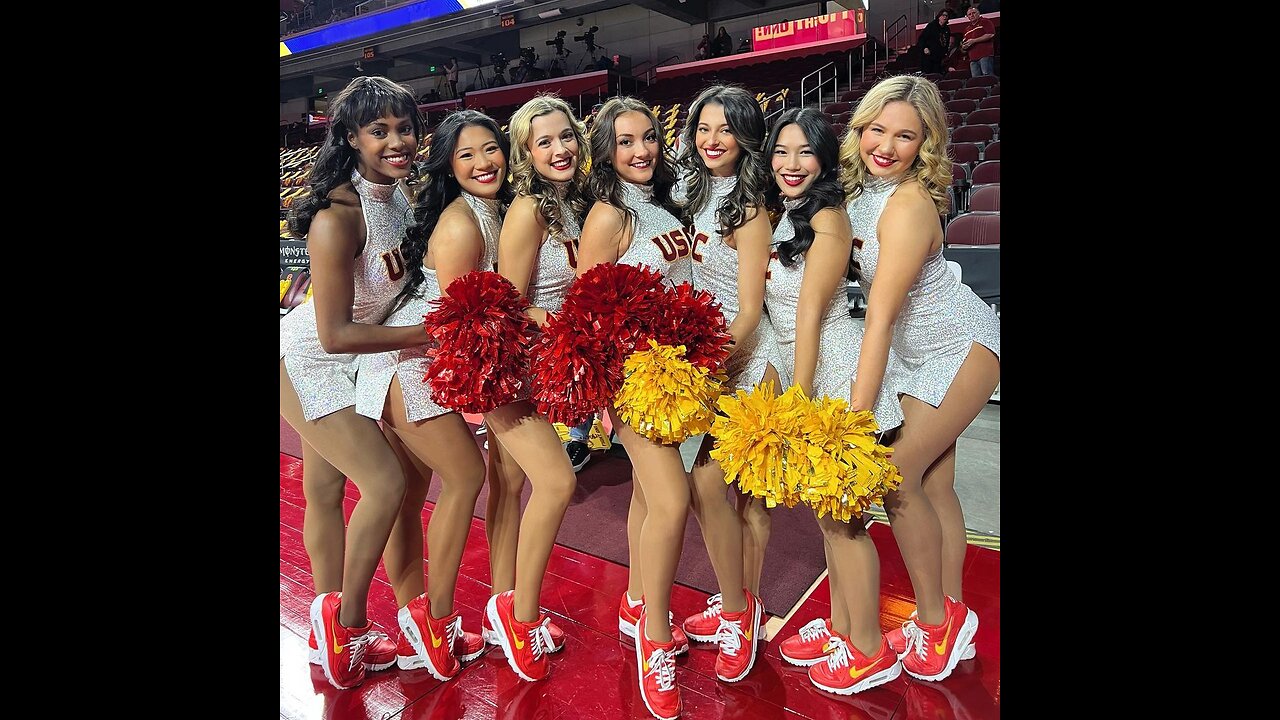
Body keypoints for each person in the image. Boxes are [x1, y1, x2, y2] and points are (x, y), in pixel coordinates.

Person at [280, 76, 444, 691]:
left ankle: (329, 630)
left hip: (348, 356)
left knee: (323, 488)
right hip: (306, 362)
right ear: (351, 138)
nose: (397, 142)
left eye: (405, 129)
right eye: (380, 131)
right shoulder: (338, 215)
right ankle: (346, 625)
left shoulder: (402, 196)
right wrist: (424, 337)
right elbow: (335, 336)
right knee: (383, 482)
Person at [839, 74, 999, 682]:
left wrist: (856, 417)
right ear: (859, 130)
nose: (886, 145)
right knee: (935, 485)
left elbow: (877, 319)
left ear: (925, 143)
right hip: (917, 351)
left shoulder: (907, 204)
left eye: (905, 136)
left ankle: (935, 621)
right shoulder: (860, 196)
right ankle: (952, 616)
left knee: (895, 475)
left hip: (959, 346)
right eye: (876, 129)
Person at [353, 109, 514, 683]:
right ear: (448, 163)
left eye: (490, 148)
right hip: (412, 362)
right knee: (467, 477)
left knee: (413, 491)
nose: (482, 162)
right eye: (466, 154)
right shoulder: (460, 225)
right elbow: (455, 318)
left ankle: (413, 618)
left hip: (414, 359)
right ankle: (435, 618)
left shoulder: (485, 211)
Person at [762, 107, 905, 696]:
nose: (791, 165)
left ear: (823, 158)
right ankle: (845, 629)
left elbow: (809, 317)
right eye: (780, 152)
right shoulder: (792, 214)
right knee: (832, 520)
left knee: (845, 525)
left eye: (805, 152)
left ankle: (870, 649)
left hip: (834, 376)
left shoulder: (826, 219)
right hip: (815, 370)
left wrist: (795, 402)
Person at [576, 96, 694, 720]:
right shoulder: (607, 214)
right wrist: (601, 395)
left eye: (648, 137)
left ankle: (633, 602)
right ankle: (653, 639)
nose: (641, 150)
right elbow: (585, 315)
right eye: (624, 142)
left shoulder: (660, 204)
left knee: (650, 501)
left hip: (670, 377)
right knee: (673, 502)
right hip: (630, 379)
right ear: (605, 152)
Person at [481, 94, 593, 682]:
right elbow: (510, 304)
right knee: (558, 481)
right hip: (510, 370)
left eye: (566, 136)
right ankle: (520, 617)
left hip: (545, 369)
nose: (560, 149)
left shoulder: (576, 204)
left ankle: (503, 604)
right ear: (526, 152)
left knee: (512, 486)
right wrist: (573, 330)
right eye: (544, 141)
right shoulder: (528, 209)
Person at [674, 85, 782, 684]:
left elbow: (747, 309)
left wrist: (710, 367)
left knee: (737, 493)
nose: (712, 139)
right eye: (703, 127)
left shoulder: (751, 206)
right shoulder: (692, 192)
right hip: (710, 353)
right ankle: (734, 600)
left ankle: (743, 613)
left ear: (747, 136)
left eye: (726, 128)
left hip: (744, 358)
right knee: (705, 488)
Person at [960, 5, 996, 77]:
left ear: (978, 13)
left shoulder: (985, 22)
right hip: (972, 59)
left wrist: (974, 41)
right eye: (969, 14)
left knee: (987, 77)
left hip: (985, 55)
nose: (972, 15)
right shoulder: (967, 29)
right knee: (976, 80)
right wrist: (964, 47)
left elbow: (990, 34)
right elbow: (964, 45)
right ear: (967, 17)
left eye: (973, 13)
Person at [915, 9, 953, 75]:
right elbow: (922, 38)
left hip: (939, 57)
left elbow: (946, 43)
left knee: (938, 75)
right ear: (939, 16)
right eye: (943, 15)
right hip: (929, 56)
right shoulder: (931, 26)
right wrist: (925, 47)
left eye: (946, 16)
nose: (945, 17)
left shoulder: (947, 29)